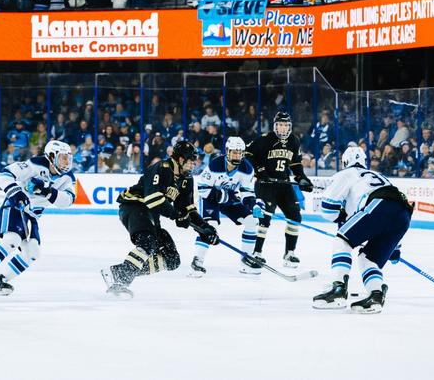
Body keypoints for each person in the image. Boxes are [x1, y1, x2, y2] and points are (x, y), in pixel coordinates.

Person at [101, 141, 218, 298]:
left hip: (151, 214)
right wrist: (177, 215)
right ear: (180, 159)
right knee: (148, 242)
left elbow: (187, 208)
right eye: (190, 160)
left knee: (172, 259)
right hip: (134, 207)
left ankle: (120, 271)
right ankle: (121, 278)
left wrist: (205, 228)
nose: (193, 165)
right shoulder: (161, 168)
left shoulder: (186, 180)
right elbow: (153, 200)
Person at [312, 146, 412, 314]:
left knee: (342, 241)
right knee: (368, 259)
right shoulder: (378, 176)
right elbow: (391, 206)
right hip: (403, 215)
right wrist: (394, 248)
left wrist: (342, 216)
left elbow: (328, 210)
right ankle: (376, 296)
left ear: (344, 162)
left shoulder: (345, 174)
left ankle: (338, 290)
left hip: (378, 207)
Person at [0, 141, 75, 295]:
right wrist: (16, 192)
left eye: (68, 158)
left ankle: (1, 281)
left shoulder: (67, 177)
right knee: (12, 240)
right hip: (16, 206)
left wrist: (48, 192)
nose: (67, 162)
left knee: (32, 252)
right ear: (52, 156)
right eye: (63, 157)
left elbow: (68, 201)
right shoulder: (34, 164)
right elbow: (5, 175)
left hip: (32, 216)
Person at [244, 111, 313, 270]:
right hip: (265, 185)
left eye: (285, 125)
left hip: (284, 185)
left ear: (289, 126)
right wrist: (260, 171)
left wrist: (302, 178)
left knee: (295, 215)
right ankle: (257, 252)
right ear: (275, 126)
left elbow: (295, 163)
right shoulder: (264, 139)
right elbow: (248, 154)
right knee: (265, 218)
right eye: (280, 125)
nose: (282, 128)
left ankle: (289, 253)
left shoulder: (294, 141)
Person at [189, 137, 258, 277]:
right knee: (210, 225)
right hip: (210, 198)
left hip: (228, 199)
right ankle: (198, 260)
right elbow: (202, 188)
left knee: (252, 221)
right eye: (234, 152)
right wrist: (222, 195)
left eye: (240, 153)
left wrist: (253, 205)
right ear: (227, 151)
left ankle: (247, 259)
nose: (237, 155)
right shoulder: (215, 165)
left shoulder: (247, 168)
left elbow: (247, 192)